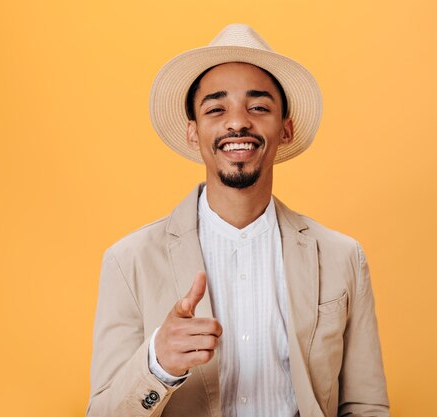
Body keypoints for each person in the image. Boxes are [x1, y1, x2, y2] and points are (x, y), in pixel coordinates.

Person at [87, 24, 389, 417]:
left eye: (258, 107)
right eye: (216, 108)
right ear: (194, 133)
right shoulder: (129, 262)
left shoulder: (342, 257)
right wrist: (157, 364)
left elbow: (365, 406)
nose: (237, 123)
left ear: (285, 129)